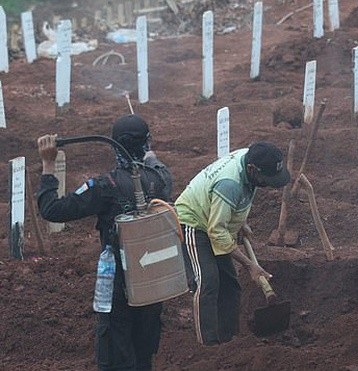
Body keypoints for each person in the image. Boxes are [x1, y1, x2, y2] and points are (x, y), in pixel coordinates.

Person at [37, 114, 173, 371]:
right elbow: (156, 164)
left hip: (117, 286)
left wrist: (47, 164)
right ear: (146, 144)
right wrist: (149, 153)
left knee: (116, 354)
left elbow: (52, 209)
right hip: (153, 282)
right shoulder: (161, 180)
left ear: (113, 145)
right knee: (143, 354)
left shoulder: (104, 186)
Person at [175, 141, 290, 345]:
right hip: (193, 222)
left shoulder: (250, 158)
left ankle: (229, 341)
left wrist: (239, 222)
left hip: (214, 217)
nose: (268, 184)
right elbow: (216, 230)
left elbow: (238, 198)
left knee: (230, 284)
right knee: (207, 282)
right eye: (267, 179)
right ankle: (208, 346)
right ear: (253, 169)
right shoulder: (230, 184)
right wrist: (250, 265)